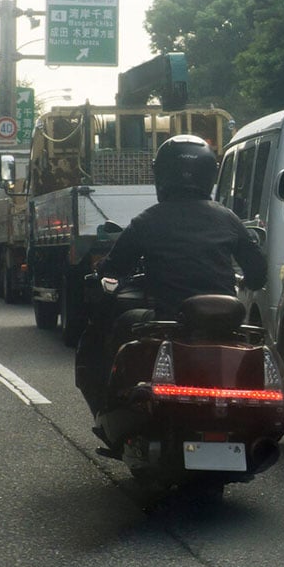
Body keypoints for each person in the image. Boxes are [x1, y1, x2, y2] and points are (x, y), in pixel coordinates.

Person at [76, 134, 267, 419]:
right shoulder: (229, 219)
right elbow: (257, 273)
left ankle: (111, 406)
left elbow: (114, 268)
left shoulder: (148, 220)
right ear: (209, 174)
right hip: (226, 323)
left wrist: (101, 272)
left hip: (168, 320)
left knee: (117, 326)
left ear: (162, 174)